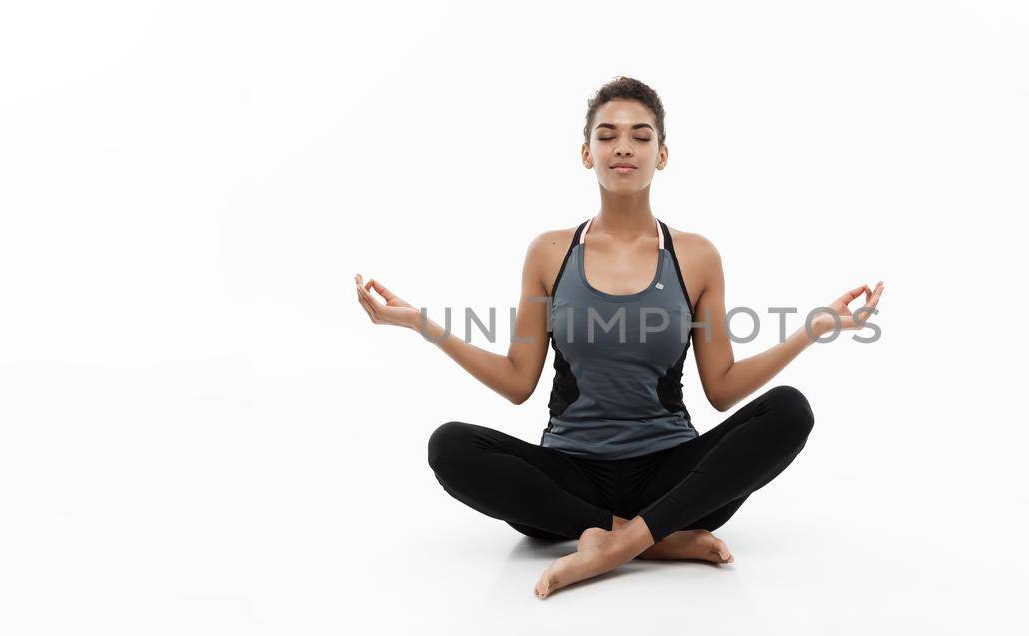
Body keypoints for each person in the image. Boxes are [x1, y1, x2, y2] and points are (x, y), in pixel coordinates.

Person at [354, 77, 884, 598]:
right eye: (606, 136)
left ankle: (612, 544)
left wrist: (813, 331)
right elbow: (518, 381)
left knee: (791, 410)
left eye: (640, 135)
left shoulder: (696, 256)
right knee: (450, 446)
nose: (623, 147)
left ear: (663, 154)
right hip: (569, 481)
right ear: (587, 154)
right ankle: (653, 541)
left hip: (673, 477)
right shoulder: (551, 252)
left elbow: (721, 387)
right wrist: (421, 323)